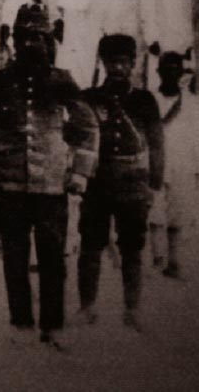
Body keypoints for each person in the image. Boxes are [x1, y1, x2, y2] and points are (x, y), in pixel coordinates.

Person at [0, 3, 98, 350]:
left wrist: (81, 174)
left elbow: (88, 127)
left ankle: (53, 326)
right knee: (14, 255)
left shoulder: (62, 81)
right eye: (25, 38)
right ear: (14, 40)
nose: (31, 45)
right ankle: (22, 324)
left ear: (49, 40)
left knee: (52, 257)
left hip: (51, 185)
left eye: (38, 38)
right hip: (10, 184)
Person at [77, 34, 164, 332]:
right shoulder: (89, 98)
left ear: (132, 64)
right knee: (90, 245)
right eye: (111, 62)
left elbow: (156, 144)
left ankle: (132, 309)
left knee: (132, 248)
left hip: (132, 184)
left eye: (122, 62)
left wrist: (154, 186)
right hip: (98, 183)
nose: (116, 68)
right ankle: (87, 307)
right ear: (102, 63)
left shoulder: (144, 100)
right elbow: (77, 138)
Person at [150, 52, 198, 278]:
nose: (170, 74)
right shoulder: (149, 100)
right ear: (158, 72)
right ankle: (156, 256)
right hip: (156, 161)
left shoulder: (192, 103)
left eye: (175, 69)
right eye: (165, 69)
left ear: (181, 73)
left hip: (182, 162)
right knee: (155, 209)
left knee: (178, 212)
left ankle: (175, 261)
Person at [139, 0, 193, 90]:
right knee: (161, 77)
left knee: (177, 80)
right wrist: (151, 40)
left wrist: (187, 43)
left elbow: (181, 16)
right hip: (161, 43)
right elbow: (147, 14)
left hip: (177, 43)